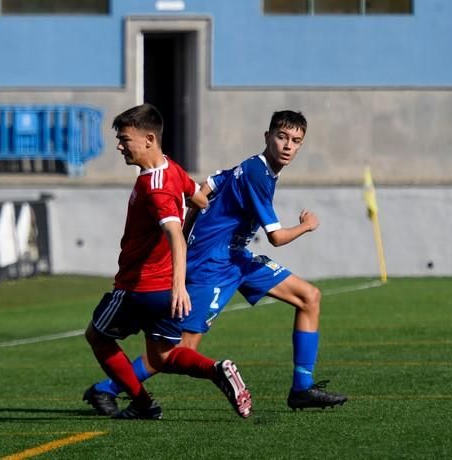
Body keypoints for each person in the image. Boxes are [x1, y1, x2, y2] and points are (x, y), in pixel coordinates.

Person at [85, 110, 347, 413]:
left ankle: (302, 388)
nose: (288, 145)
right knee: (177, 352)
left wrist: (192, 225)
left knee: (309, 297)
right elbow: (275, 237)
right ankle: (106, 388)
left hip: (236, 258)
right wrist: (306, 226)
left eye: (296, 141)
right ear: (267, 137)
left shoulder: (249, 168)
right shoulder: (257, 174)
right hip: (212, 266)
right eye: (282, 137)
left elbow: (207, 186)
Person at [84, 103, 252, 420]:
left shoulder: (155, 187)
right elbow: (199, 198)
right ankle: (217, 370)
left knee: (96, 337)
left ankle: (144, 405)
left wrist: (179, 286)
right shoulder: (172, 170)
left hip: (139, 286)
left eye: (124, 139)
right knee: (161, 358)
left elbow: (174, 234)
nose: (119, 146)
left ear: (149, 139)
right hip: (163, 291)